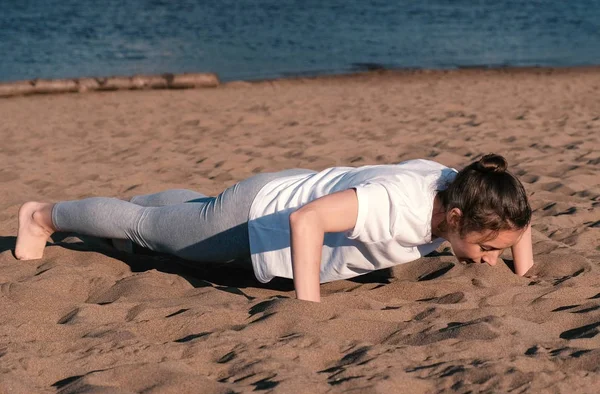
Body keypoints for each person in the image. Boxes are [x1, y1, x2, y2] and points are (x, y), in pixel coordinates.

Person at [15, 153, 533, 303]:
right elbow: (305, 221)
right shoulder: (395, 206)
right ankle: (42, 215)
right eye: (487, 249)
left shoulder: (469, 190)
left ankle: (162, 210)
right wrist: (307, 302)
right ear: (457, 219)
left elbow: (516, 221)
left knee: (179, 220)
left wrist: (523, 271)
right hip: (255, 216)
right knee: (150, 229)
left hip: (283, 190)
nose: (491, 258)